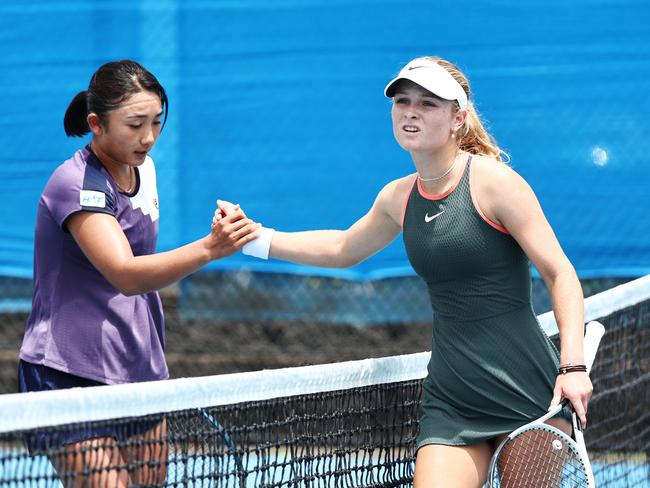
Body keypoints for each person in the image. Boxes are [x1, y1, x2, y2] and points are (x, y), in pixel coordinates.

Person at [216, 56, 593, 487]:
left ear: (459, 119)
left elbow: (560, 273)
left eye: (428, 104)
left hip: (530, 393)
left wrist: (572, 368)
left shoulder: (496, 184)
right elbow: (342, 248)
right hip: (453, 400)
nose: (411, 111)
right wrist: (255, 237)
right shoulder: (398, 197)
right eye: (403, 101)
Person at [18, 59, 260, 487]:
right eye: (134, 124)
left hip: (138, 366)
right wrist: (210, 248)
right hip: (66, 372)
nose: (148, 137)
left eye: (156, 123)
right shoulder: (74, 184)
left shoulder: (144, 168)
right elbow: (125, 274)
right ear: (97, 124)